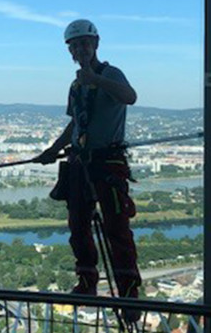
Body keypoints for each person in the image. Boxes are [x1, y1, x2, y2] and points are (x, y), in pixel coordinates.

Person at [34, 19, 142, 320]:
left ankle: (129, 293)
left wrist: (96, 80)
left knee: (116, 228)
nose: (80, 49)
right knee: (78, 225)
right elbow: (76, 124)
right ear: (70, 51)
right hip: (81, 162)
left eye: (84, 43)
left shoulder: (110, 74)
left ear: (95, 44)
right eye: (75, 45)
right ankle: (86, 283)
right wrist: (54, 150)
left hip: (107, 161)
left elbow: (129, 97)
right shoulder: (75, 84)